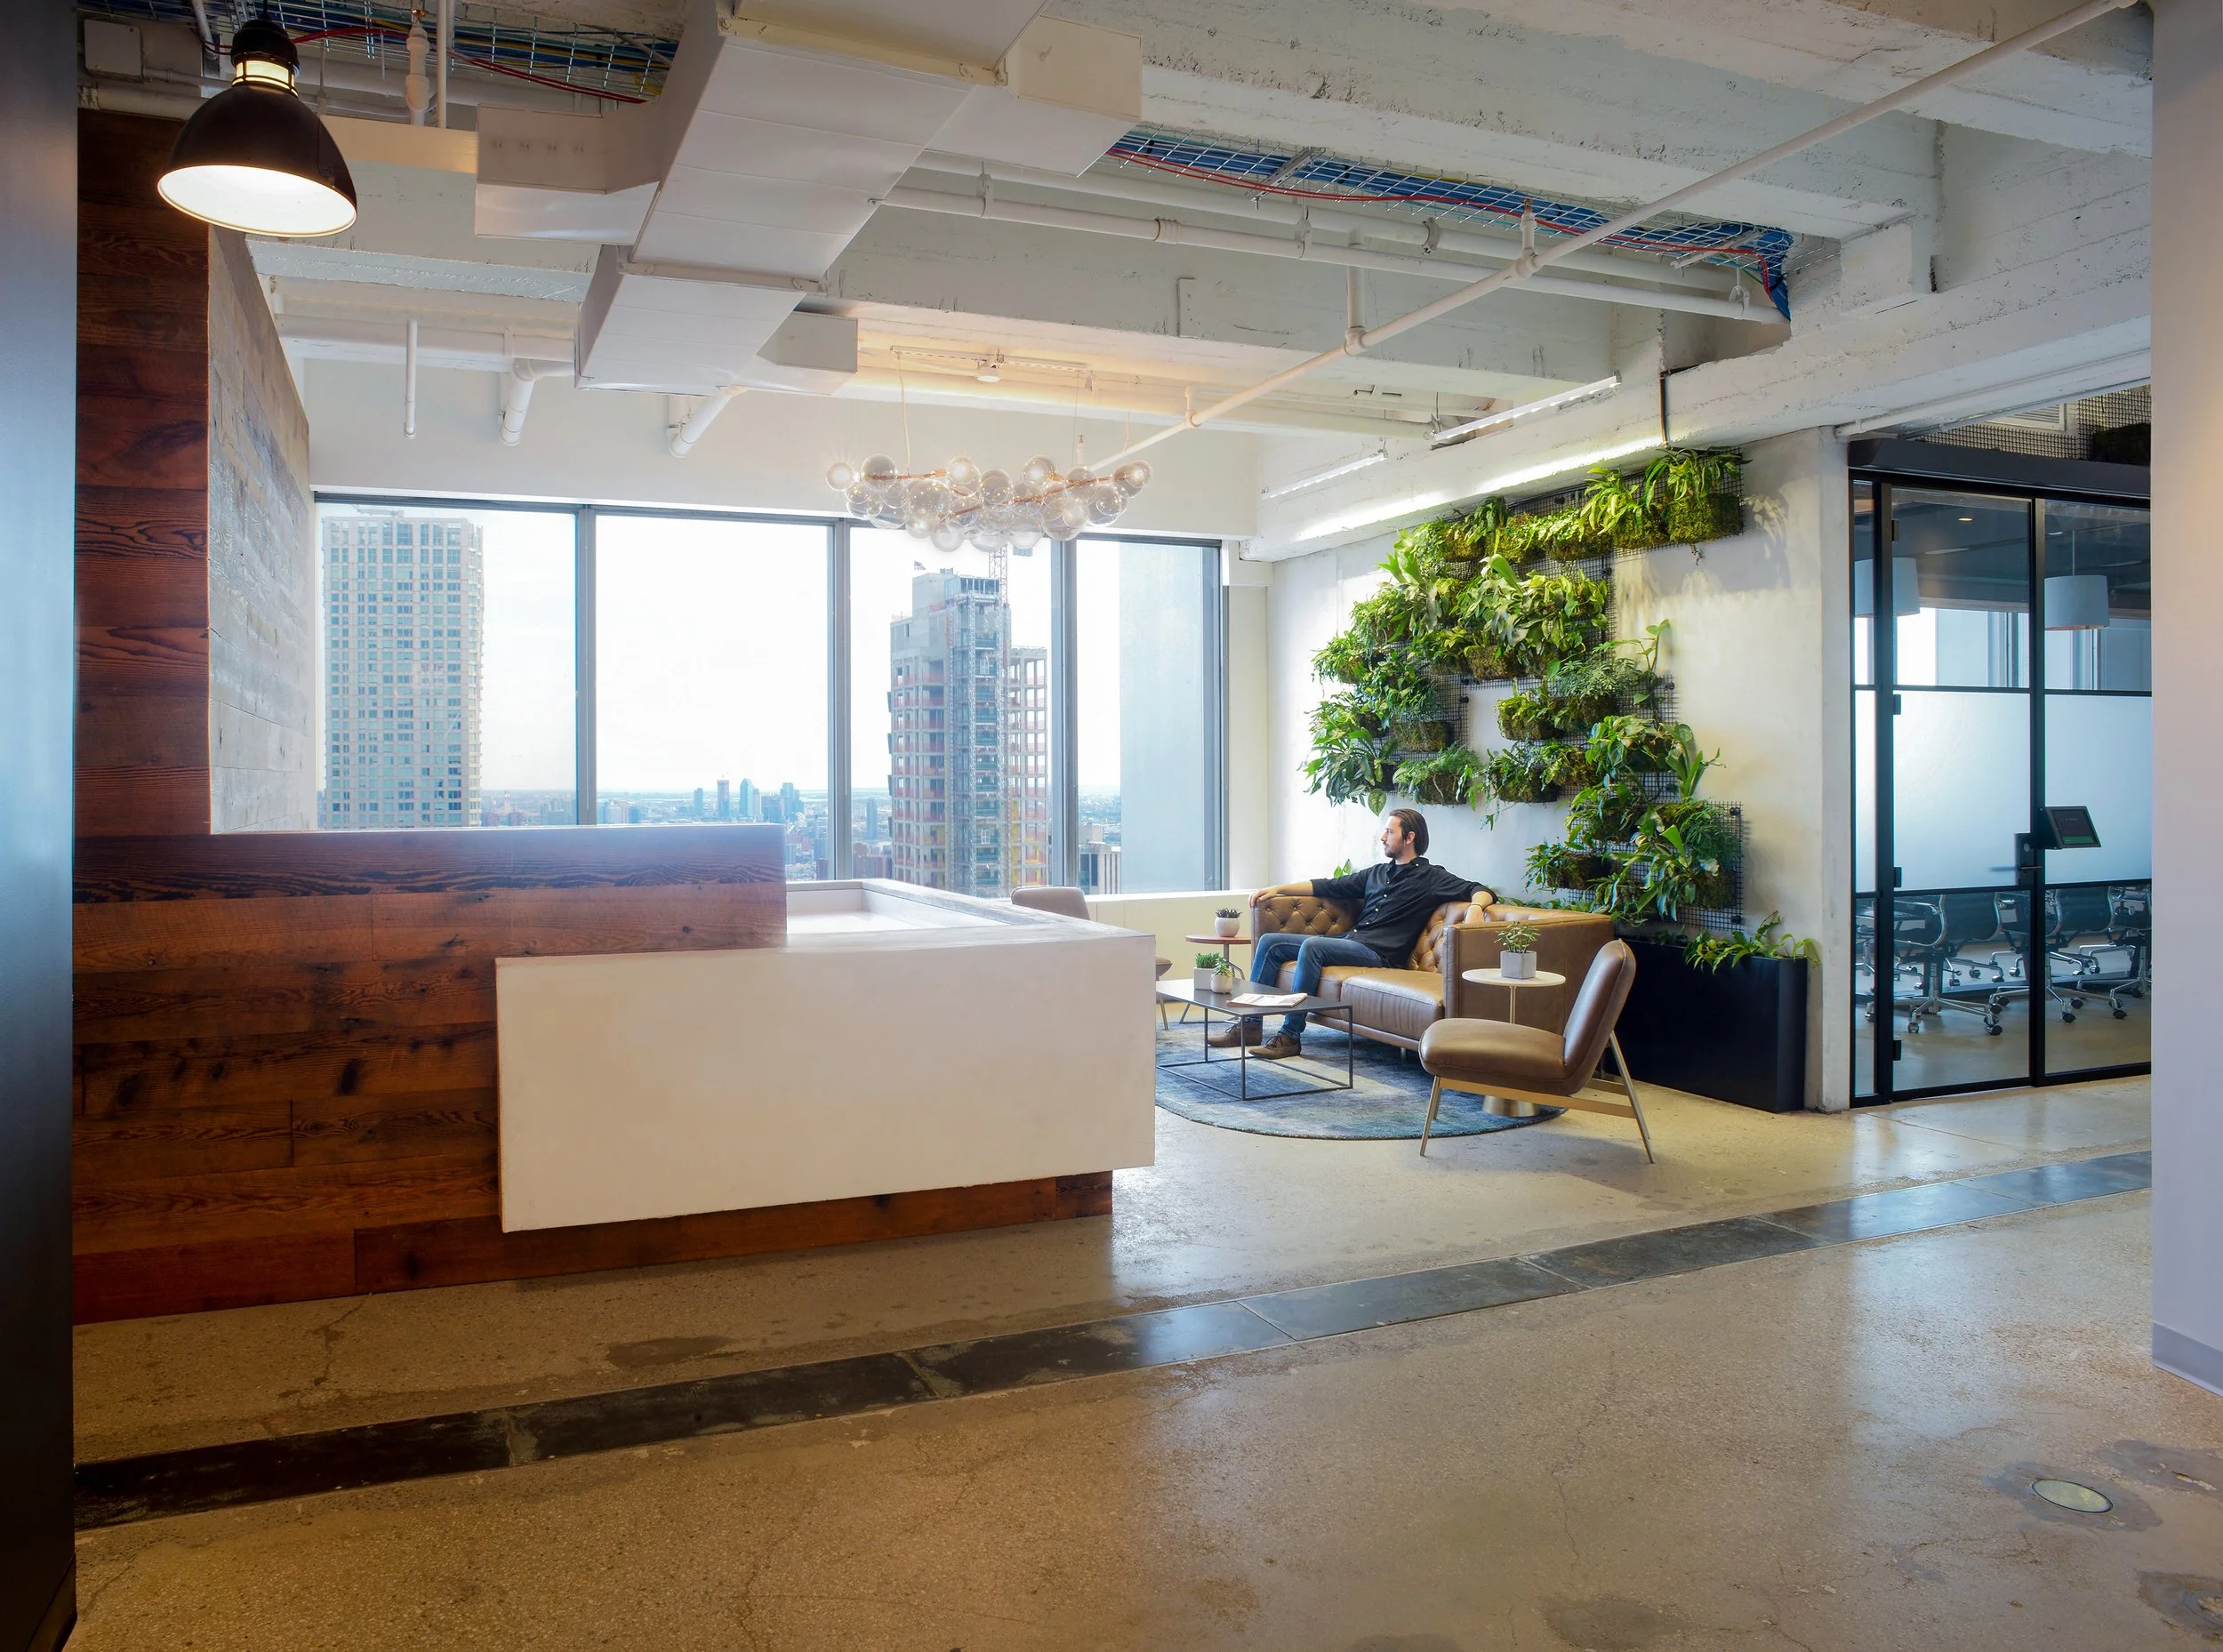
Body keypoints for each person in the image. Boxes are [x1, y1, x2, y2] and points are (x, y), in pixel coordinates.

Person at [1216, 808, 1485, 1059]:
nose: (1382, 837)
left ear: (1409, 837)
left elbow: (1479, 888)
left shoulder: (1431, 877)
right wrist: (1278, 889)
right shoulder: (1378, 873)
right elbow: (1329, 885)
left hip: (1380, 954)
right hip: (1351, 942)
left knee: (1313, 946)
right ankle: (1249, 1025)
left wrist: (1475, 907)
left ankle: (1290, 1036)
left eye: (1389, 832)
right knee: (1270, 942)